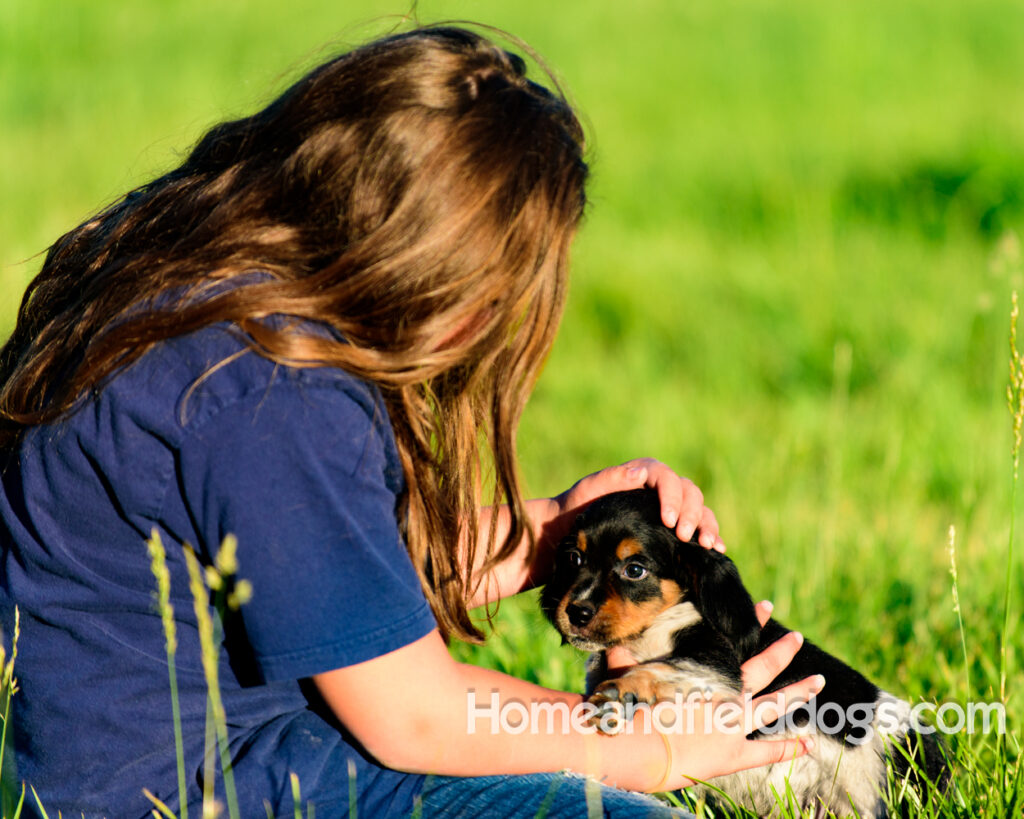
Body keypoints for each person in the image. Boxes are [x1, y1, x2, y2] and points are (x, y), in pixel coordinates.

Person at [0, 25, 821, 818]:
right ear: (437, 260)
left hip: (150, 767)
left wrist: (549, 534)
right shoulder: (271, 389)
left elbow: (326, 576)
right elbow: (416, 714)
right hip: (205, 790)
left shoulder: (211, 302)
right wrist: (654, 745)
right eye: (505, 288)